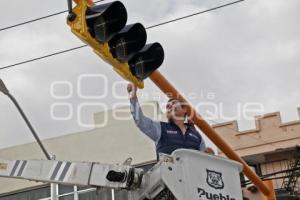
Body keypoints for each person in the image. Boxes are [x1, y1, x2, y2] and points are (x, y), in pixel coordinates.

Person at [127, 83, 211, 158]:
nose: (169, 106)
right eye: (167, 106)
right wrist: (133, 98)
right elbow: (141, 121)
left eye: (173, 103)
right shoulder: (161, 128)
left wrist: (210, 155)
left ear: (184, 109)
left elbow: (204, 160)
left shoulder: (197, 135)